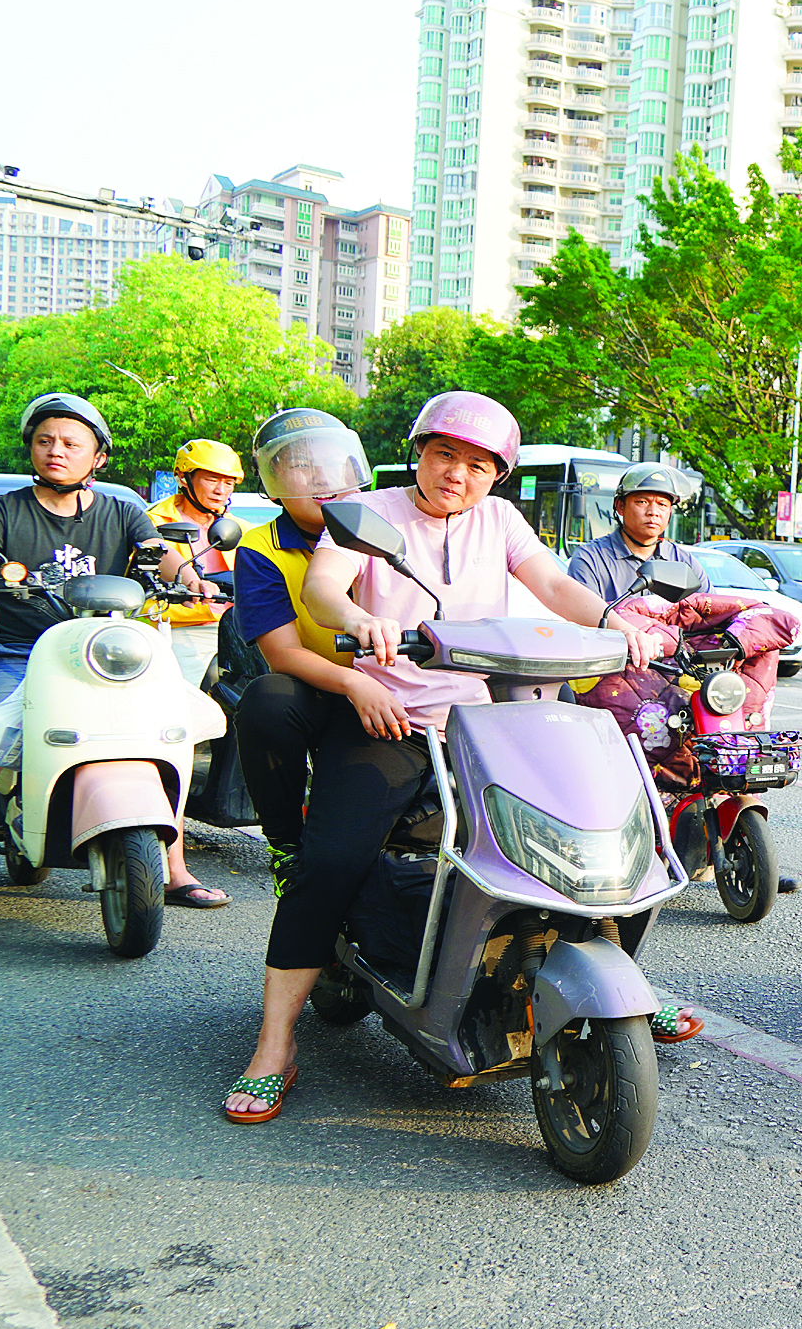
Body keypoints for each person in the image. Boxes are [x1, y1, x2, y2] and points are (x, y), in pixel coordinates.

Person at [222, 392, 665, 1122]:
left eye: (478, 466)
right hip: (392, 718)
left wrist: (615, 619)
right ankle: (275, 1045)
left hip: (489, 719)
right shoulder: (369, 511)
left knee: (583, 826)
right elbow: (327, 587)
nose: (458, 474)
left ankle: (613, 966)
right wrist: (361, 618)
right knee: (327, 864)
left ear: (497, 477)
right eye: (444, 455)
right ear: (419, 454)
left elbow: (554, 584)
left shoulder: (502, 521)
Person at [0, 394, 228, 908]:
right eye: (45, 441)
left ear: (98, 457)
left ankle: (173, 869)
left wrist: (191, 578)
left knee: (169, 734)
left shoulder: (122, 511)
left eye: (71, 443)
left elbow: (158, 553)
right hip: (19, 649)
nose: (56, 451)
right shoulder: (4, 510)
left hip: (107, 654)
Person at [226, 409, 377, 894]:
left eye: (332, 463)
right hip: (322, 688)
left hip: (403, 688)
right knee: (266, 699)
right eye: (299, 465)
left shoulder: (389, 524)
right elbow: (283, 654)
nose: (320, 477)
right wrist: (354, 683)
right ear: (272, 481)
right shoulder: (260, 547)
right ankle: (285, 844)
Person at [145, 438, 245, 693]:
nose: (220, 490)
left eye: (228, 483)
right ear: (183, 477)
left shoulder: (242, 529)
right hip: (178, 626)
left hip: (236, 627)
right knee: (178, 696)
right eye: (212, 479)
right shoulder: (151, 524)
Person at [566, 462, 708, 604]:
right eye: (642, 502)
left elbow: (712, 607)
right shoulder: (590, 558)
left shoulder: (684, 562)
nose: (653, 512)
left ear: (670, 512)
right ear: (620, 507)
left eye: (662, 504)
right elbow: (584, 612)